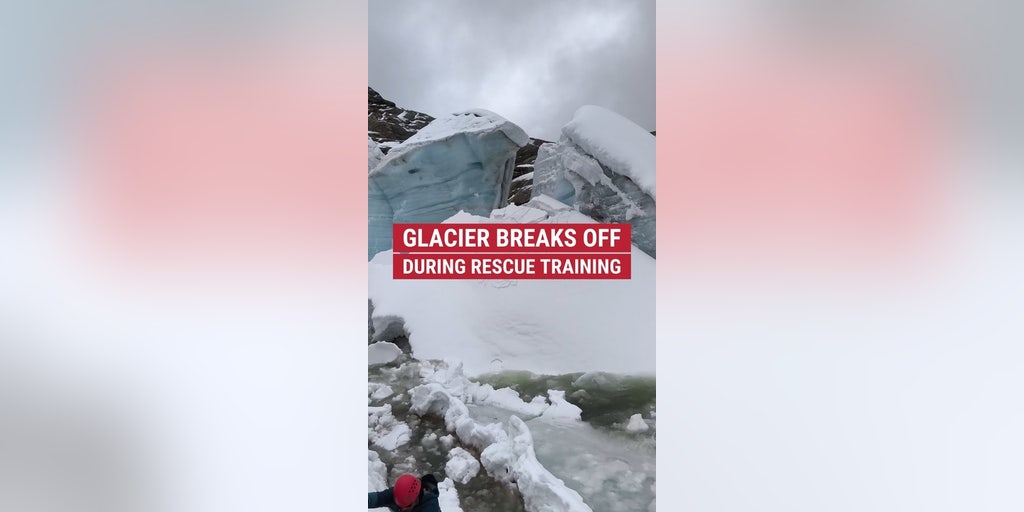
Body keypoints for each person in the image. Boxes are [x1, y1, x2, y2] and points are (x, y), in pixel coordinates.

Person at [368, 473, 441, 511]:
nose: (403, 509)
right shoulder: (398, 493)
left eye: (407, 506)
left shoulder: (430, 506)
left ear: (416, 498)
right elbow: (375, 499)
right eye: (400, 506)